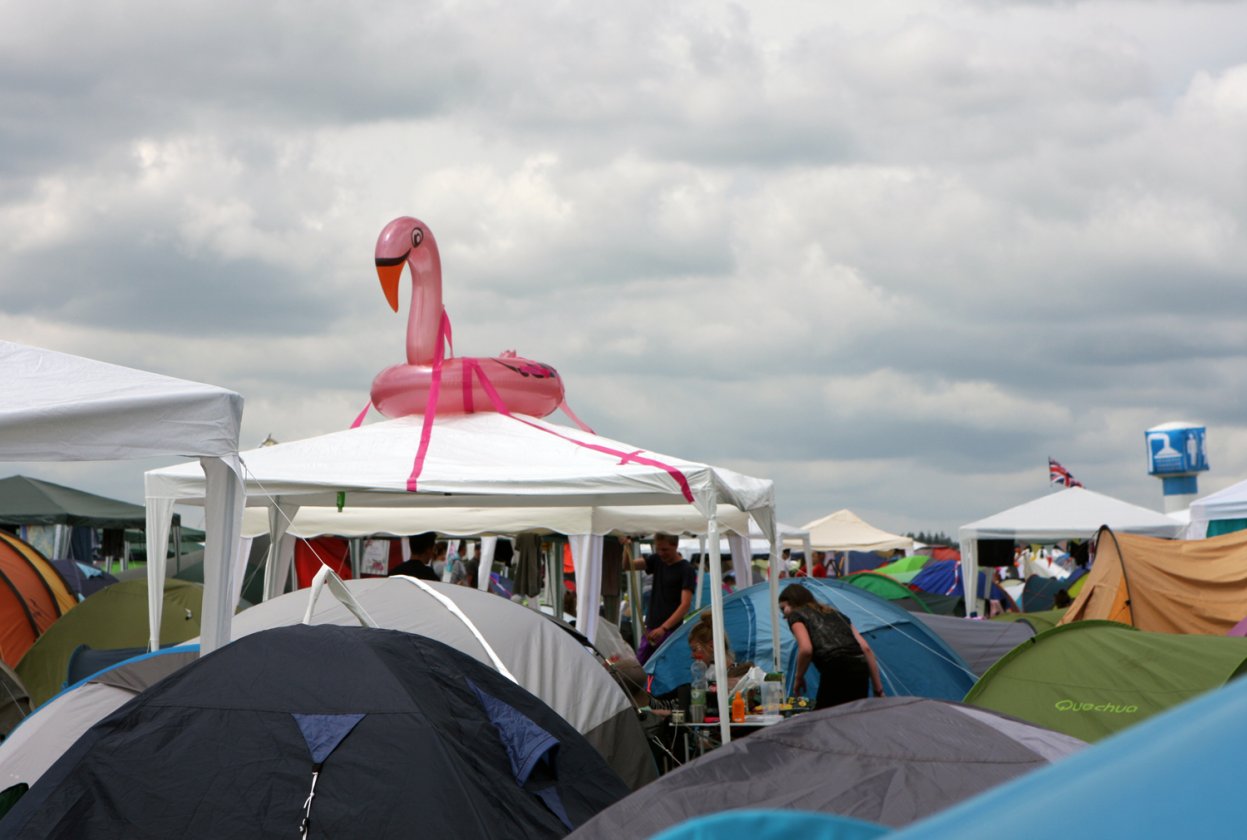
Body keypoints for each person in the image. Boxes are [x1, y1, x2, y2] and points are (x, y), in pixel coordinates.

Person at [778, 583, 884, 709]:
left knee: (824, 718)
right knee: (853, 717)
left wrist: (799, 677)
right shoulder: (836, 614)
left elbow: (806, 649)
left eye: (783, 608)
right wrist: (878, 690)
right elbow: (866, 649)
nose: (784, 614)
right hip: (859, 668)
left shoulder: (796, 615)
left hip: (835, 669)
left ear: (793, 602)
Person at [626, 533, 696, 664]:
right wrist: (626, 547)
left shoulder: (686, 569)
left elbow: (685, 604)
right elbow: (627, 565)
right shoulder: (657, 560)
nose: (661, 553)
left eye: (665, 550)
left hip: (670, 630)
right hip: (652, 627)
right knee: (640, 666)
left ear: (675, 546)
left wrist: (664, 628)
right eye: (658, 549)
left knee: (665, 666)